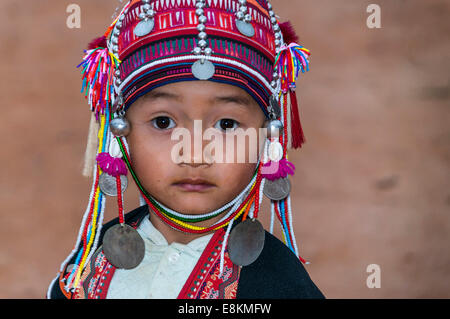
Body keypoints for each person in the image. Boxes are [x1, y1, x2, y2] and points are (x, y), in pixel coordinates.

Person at [47, 0, 324, 299]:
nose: (194, 154)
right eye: (163, 122)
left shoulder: (282, 287)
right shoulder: (88, 265)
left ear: (266, 138)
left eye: (227, 125)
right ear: (121, 131)